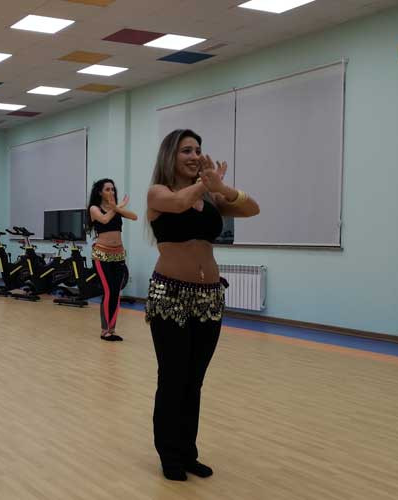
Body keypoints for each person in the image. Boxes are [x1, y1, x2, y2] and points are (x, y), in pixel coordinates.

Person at [145, 129, 260, 481]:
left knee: (194, 380)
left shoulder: (210, 195)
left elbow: (252, 209)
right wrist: (206, 184)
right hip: (170, 297)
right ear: (170, 156)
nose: (195, 156)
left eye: (198, 150)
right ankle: (169, 454)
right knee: (173, 378)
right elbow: (179, 203)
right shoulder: (158, 193)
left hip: (209, 298)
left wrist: (222, 188)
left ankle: (187, 452)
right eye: (186, 151)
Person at [86, 178, 137, 341]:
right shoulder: (94, 208)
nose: (111, 192)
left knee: (116, 292)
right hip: (102, 254)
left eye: (113, 189)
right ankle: (105, 330)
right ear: (100, 192)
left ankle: (112, 329)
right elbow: (104, 219)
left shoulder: (116, 209)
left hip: (118, 254)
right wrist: (117, 207)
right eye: (107, 189)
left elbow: (134, 216)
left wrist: (117, 207)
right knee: (108, 291)